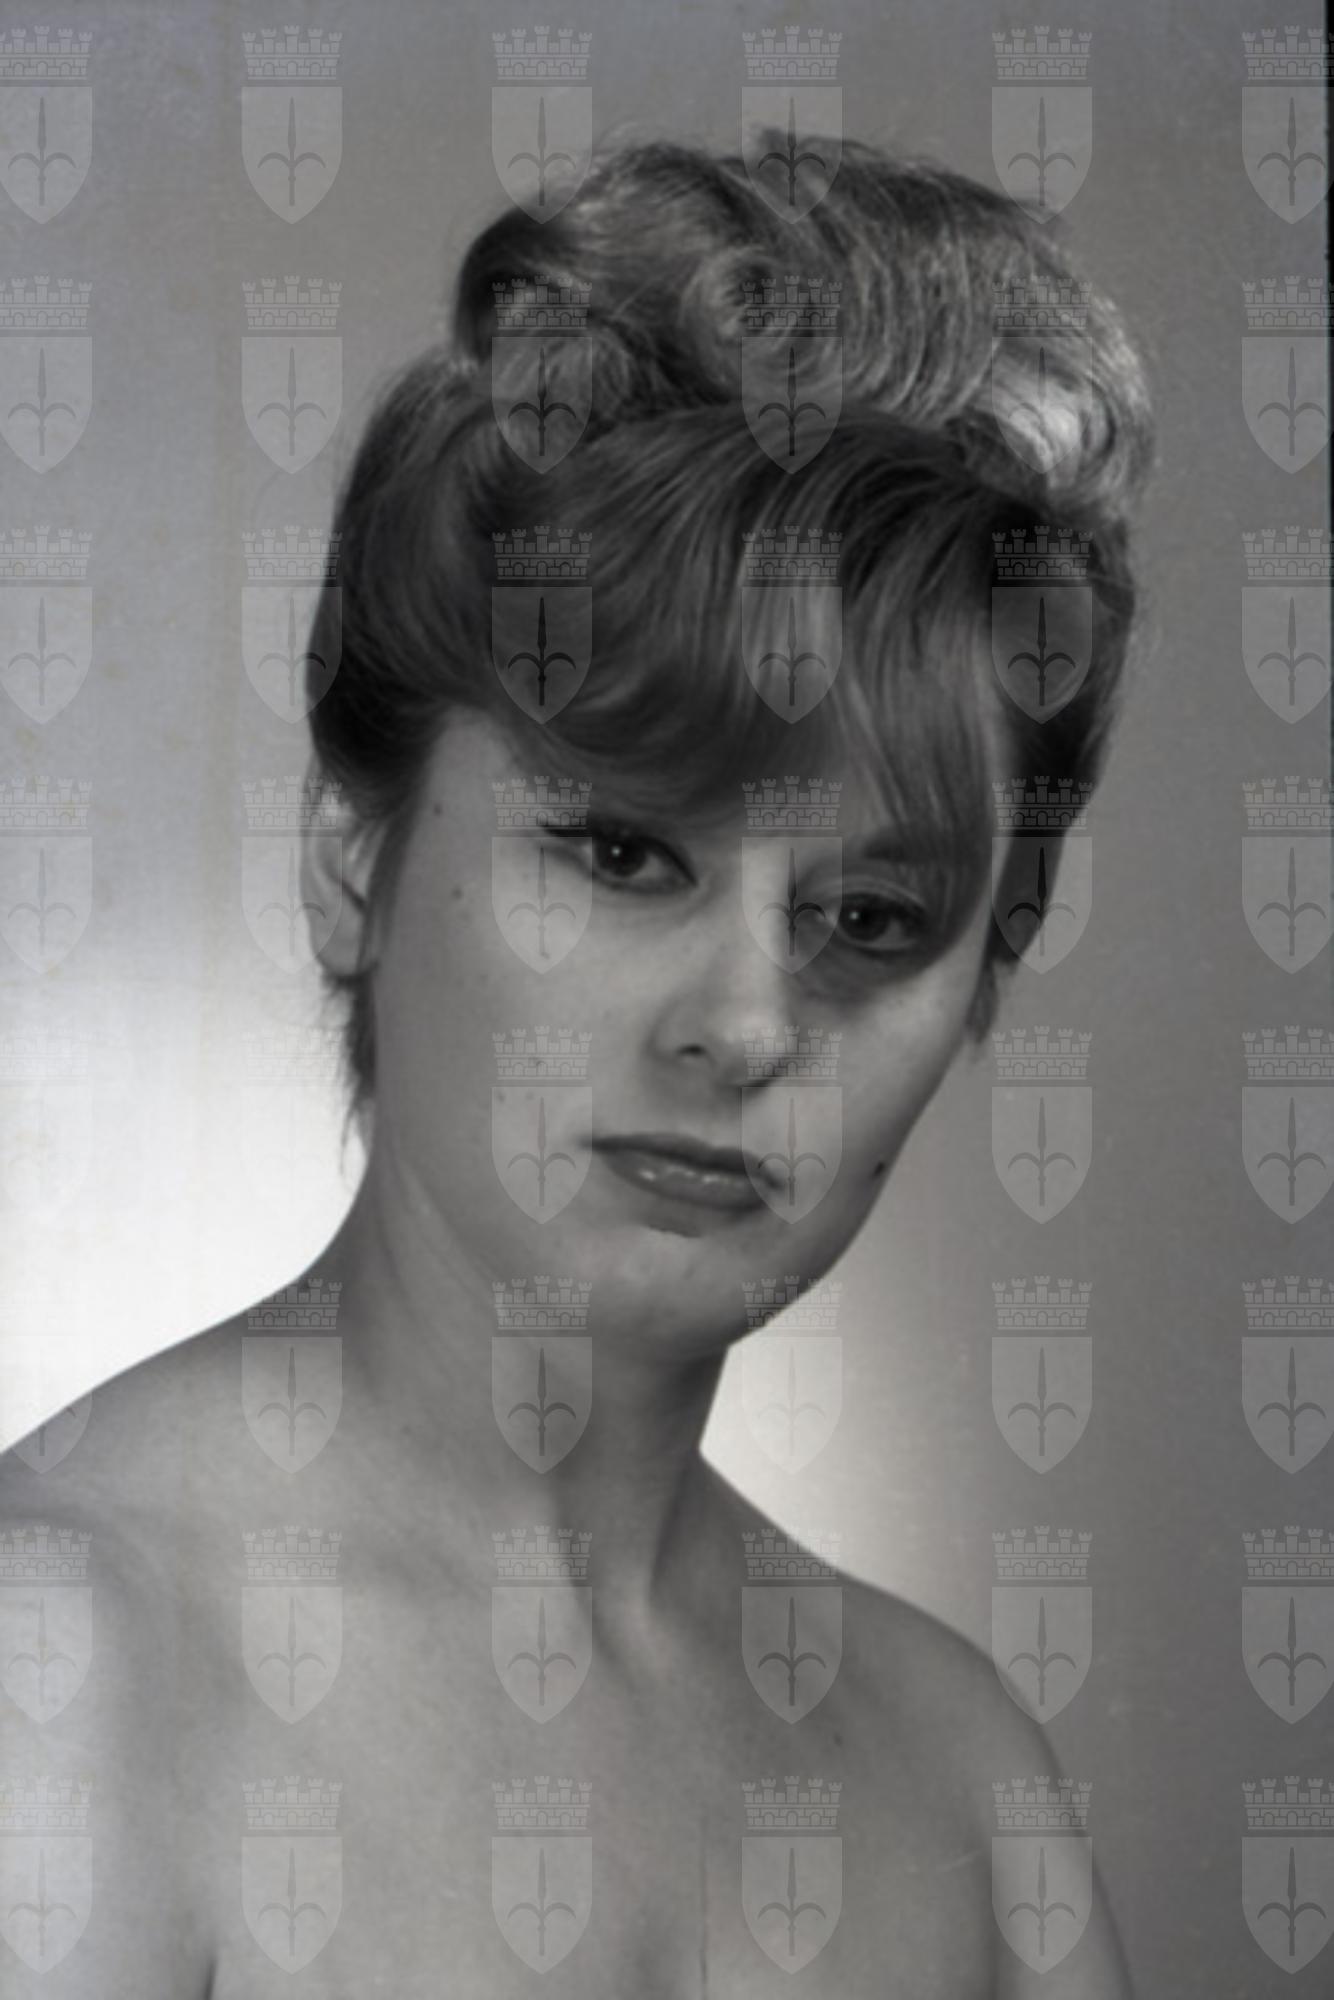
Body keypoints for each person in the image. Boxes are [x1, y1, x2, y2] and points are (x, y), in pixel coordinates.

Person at [0, 132, 1152, 1995]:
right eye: (622, 854)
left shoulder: (968, 1794)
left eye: (871, 919)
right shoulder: (61, 1685)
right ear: (354, 859)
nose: (747, 1025)